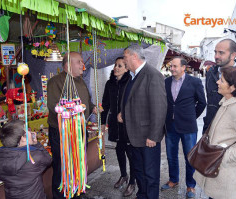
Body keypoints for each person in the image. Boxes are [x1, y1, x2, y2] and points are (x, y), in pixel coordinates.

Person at [194, 66, 236, 199]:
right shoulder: (227, 102)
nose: (218, 82)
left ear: (233, 87)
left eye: (222, 80)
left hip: (225, 177)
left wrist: (223, 156)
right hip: (216, 172)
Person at [118, 45, 167, 199]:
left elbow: (159, 108)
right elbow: (134, 102)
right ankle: (142, 196)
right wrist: (122, 113)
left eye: (125, 57)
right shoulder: (133, 76)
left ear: (133, 57)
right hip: (134, 137)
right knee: (139, 172)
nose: (123, 60)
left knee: (150, 175)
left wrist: (153, 135)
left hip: (147, 137)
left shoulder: (152, 75)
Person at [47, 52, 97, 199]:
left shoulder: (80, 81)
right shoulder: (55, 82)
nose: (83, 65)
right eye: (79, 62)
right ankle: (60, 196)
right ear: (68, 65)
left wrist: (93, 107)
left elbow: (86, 101)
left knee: (77, 164)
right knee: (62, 166)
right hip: (62, 132)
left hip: (79, 130)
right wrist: (74, 110)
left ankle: (75, 192)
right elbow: (54, 107)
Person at [161, 57, 206, 199]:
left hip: (188, 126)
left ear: (183, 67)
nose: (172, 69)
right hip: (170, 125)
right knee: (170, 155)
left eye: (175, 66)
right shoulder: (166, 82)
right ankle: (173, 179)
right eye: (171, 66)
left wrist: (191, 116)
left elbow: (202, 103)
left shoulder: (195, 82)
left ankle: (190, 186)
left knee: (190, 157)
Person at [101, 57, 135, 197]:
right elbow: (105, 104)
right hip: (114, 122)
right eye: (115, 65)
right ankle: (123, 175)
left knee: (131, 152)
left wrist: (126, 114)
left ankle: (132, 181)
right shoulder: (110, 84)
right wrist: (103, 123)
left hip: (128, 124)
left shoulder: (131, 83)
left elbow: (135, 104)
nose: (116, 68)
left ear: (126, 68)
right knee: (119, 149)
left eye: (120, 66)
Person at [0, 120, 52, 199]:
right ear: (23, 138)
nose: (30, 131)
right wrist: (37, 144)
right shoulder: (34, 156)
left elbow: (0, 175)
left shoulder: (1, 156)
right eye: (28, 130)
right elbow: (48, 160)